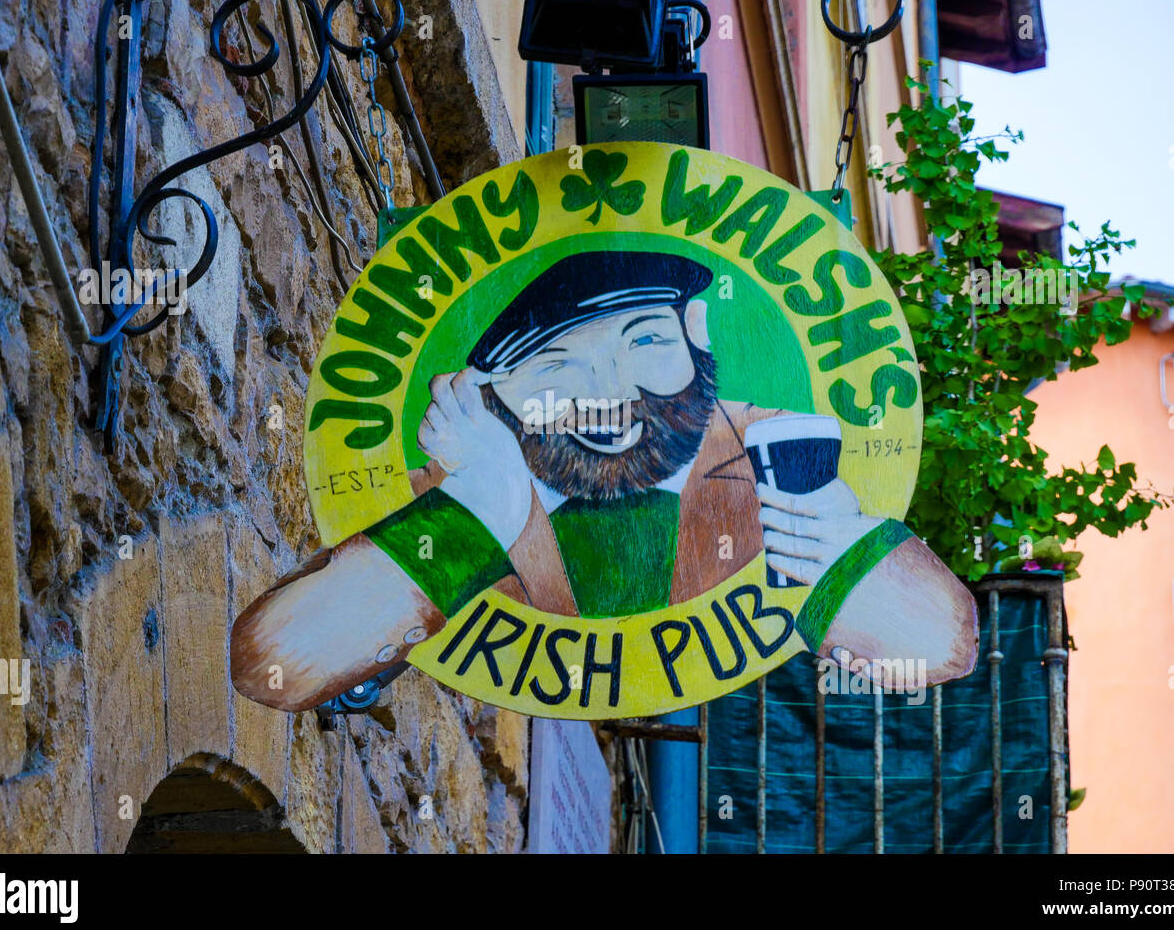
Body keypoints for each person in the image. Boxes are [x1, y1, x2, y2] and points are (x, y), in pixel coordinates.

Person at [232, 250, 976, 710]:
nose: (608, 388)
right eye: (555, 364)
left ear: (697, 335)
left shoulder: (777, 450)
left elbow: (937, 644)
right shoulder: (462, 487)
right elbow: (276, 666)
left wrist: (833, 542)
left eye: (645, 339)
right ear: (487, 390)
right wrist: (477, 514)